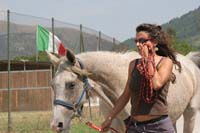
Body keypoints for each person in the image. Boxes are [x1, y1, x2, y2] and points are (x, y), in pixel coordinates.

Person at [101, 23, 181, 133]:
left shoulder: (165, 62)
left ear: (154, 42)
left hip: (159, 127)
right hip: (135, 127)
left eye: (143, 41)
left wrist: (147, 59)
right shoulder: (133, 65)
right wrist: (109, 118)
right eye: (136, 41)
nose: (138, 44)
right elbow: (125, 95)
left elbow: (156, 84)